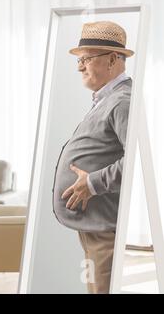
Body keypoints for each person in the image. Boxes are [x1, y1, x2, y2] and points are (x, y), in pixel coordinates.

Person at [53, 21, 134, 294]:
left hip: (103, 222)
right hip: (93, 220)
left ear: (112, 59)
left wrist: (92, 184)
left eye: (86, 59)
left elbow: (136, 161)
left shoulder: (122, 101)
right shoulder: (107, 99)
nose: (79, 67)